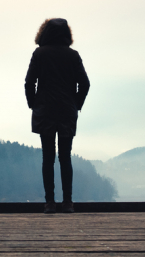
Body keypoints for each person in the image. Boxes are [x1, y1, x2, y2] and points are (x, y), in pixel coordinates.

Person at [24, 18, 90, 214]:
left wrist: (33, 104)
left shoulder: (39, 54)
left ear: (44, 33)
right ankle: (68, 202)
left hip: (45, 110)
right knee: (65, 157)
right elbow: (85, 84)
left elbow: (29, 83)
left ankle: (50, 203)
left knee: (47, 157)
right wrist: (76, 104)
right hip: (66, 111)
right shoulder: (73, 55)